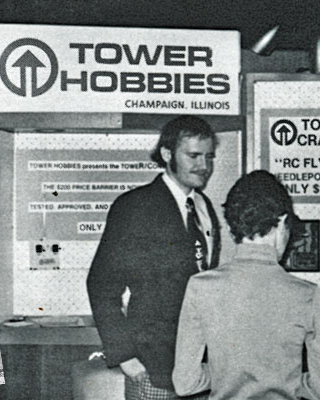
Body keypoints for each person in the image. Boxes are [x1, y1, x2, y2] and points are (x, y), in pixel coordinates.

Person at [86, 115, 222, 399]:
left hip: (198, 365)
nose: (204, 166)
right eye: (193, 156)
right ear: (167, 154)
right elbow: (101, 284)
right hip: (152, 367)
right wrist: (125, 357)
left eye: (209, 156)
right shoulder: (135, 206)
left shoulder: (203, 206)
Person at [172, 170, 320, 399]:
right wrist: (287, 380)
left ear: (231, 228)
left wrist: (227, 374)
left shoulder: (200, 287)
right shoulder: (308, 295)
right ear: (282, 222)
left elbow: (185, 383)